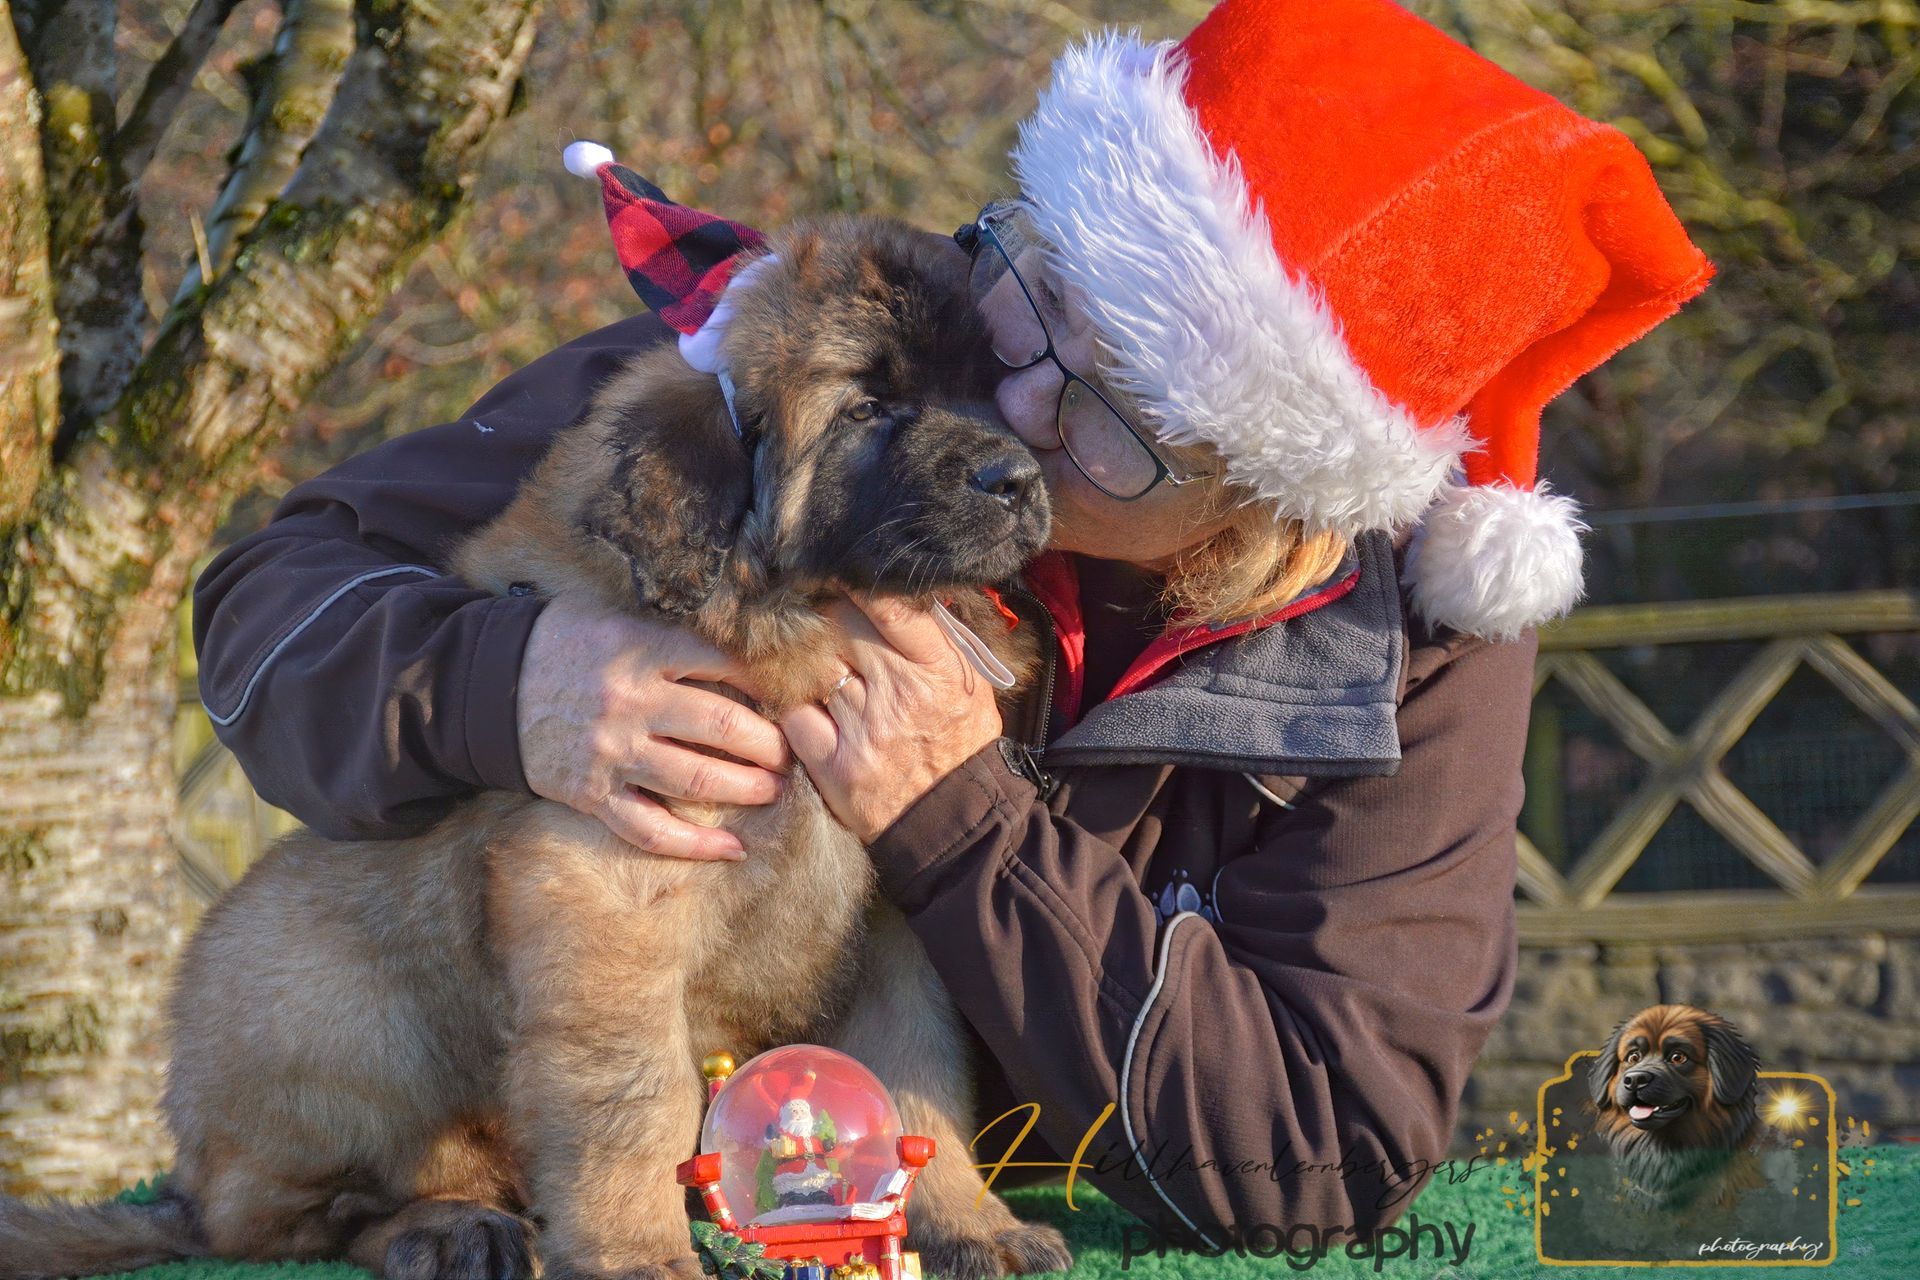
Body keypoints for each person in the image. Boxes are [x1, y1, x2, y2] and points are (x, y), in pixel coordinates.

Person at [193, 0, 1711, 1244]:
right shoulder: (818, 349)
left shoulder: (1409, 651)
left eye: (1118, 415)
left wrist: (966, 823)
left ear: (1264, 504)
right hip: (521, 1113)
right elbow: (272, 595)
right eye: (1039, 297)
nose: (1020, 414)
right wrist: (501, 680)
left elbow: (1325, 1150)